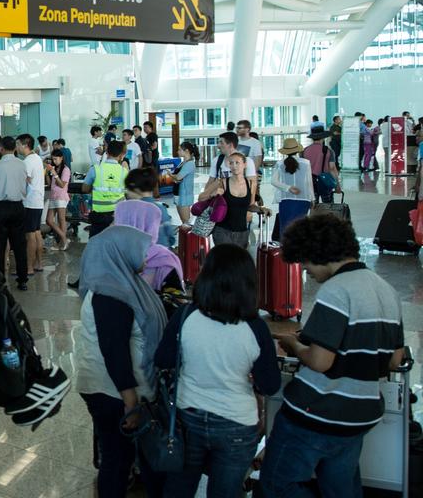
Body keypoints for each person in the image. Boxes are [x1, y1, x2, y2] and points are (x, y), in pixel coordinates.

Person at [259, 213, 406, 496]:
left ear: (318, 252)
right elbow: (394, 360)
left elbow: (320, 360)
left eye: (306, 261)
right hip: (360, 415)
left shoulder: (336, 291)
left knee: (277, 484)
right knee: (341, 489)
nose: (306, 270)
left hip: (317, 412)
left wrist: (293, 345)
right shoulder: (386, 290)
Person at [155, 244, 281, 498]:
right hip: (237, 423)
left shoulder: (185, 315)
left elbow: (163, 359)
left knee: (179, 488)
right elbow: (270, 385)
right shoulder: (256, 328)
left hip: (187, 416)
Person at [73, 207, 169, 498]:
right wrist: (131, 402)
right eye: (140, 251)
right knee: (117, 459)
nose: (144, 258)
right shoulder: (110, 294)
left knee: (126, 456)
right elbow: (114, 350)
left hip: (115, 389)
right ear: (121, 252)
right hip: (112, 393)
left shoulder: (122, 283)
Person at [198, 153, 270, 250]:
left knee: (238, 262)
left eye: (237, 163)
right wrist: (213, 194)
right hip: (222, 230)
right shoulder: (222, 182)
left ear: (245, 165)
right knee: (225, 261)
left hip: (242, 231)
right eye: (231, 163)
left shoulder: (251, 184)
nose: (234, 166)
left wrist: (261, 209)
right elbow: (201, 198)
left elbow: (250, 205)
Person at [0, 136, 30, 287]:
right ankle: (22, 279)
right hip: (18, 206)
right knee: (19, 245)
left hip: (0, 208)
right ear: (15, 148)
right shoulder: (22, 164)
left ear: (1, 148)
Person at [81, 140, 127, 238]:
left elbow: (84, 188)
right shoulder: (124, 172)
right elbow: (128, 193)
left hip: (98, 215)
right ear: (121, 155)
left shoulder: (95, 169)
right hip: (117, 215)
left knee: (96, 245)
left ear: (107, 152)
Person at [124, 167, 177, 249]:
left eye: (127, 189)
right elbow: (170, 237)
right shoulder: (161, 208)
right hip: (162, 255)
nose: (126, 192)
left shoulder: (129, 211)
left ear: (135, 188)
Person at [272, 138, 315, 237]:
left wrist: (288, 188)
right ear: (297, 149)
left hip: (286, 200)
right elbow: (309, 182)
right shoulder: (306, 163)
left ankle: (286, 249)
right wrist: (312, 199)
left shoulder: (280, 164)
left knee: (285, 228)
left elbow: (273, 181)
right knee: (301, 228)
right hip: (303, 200)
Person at [16, 135, 45, 276]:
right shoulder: (37, 158)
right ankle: (39, 263)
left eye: (18, 144)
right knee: (37, 232)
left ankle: (29, 267)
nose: (17, 147)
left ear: (25, 145)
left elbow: (25, 180)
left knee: (30, 235)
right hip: (37, 201)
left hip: (30, 201)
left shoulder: (28, 161)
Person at [213, 131, 259, 200]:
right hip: (223, 203)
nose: (218, 146)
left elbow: (252, 183)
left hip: (242, 201)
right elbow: (211, 181)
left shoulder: (247, 161)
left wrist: (250, 204)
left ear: (230, 145)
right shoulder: (217, 160)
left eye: (221, 143)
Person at [46, 148, 71, 252]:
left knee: (61, 220)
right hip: (53, 196)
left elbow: (62, 185)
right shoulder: (55, 168)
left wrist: (55, 174)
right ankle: (64, 239)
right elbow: (49, 183)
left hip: (61, 196)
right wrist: (48, 173)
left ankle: (62, 242)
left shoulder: (66, 169)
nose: (54, 161)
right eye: (53, 159)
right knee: (49, 220)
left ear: (61, 158)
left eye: (56, 159)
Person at [303, 129, 339, 204]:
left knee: (313, 206)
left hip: (310, 182)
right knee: (328, 206)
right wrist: (337, 185)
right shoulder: (328, 151)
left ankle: (314, 215)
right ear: (323, 138)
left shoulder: (305, 150)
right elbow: (332, 168)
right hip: (325, 181)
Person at [174, 141, 200, 225]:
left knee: (186, 223)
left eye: (179, 150)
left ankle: (188, 238)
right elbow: (177, 177)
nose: (177, 151)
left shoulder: (190, 163)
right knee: (183, 222)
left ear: (187, 151)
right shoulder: (183, 163)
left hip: (184, 195)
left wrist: (169, 174)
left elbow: (178, 177)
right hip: (178, 193)